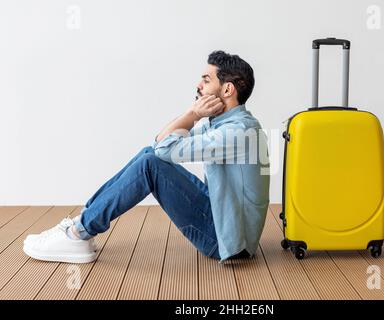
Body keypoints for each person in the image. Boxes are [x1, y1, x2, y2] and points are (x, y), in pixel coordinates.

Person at [23, 50, 270, 264]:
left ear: (227, 89)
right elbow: (159, 143)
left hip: (226, 240)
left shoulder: (238, 132)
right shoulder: (227, 124)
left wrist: (193, 113)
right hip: (221, 216)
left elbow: (164, 150)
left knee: (150, 164)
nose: (198, 86)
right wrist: (191, 114)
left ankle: (78, 233)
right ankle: (81, 224)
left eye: (206, 80)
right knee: (148, 155)